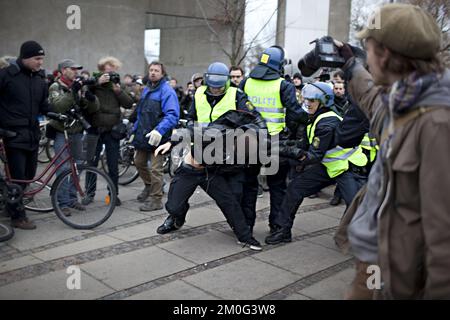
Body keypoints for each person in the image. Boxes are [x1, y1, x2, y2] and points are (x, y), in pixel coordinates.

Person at [333, 3, 450, 299]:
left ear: (384, 54)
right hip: (375, 263)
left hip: (400, 272)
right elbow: (372, 99)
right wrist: (350, 66)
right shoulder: (400, 100)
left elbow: (444, 235)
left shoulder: (436, 123)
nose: (366, 56)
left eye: (367, 48)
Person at [265, 82, 368, 245]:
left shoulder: (327, 123)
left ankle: (349, 236)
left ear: (323, 101)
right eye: (306, 100)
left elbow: (312, 156)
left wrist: (283, 151)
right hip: (330, 166)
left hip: (348, 167)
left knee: (355, 204)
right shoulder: (315, 118)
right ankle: (283, 231)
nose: (307, 103)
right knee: (295, 188)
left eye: (311, 101)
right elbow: (304, 145)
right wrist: (278, 145)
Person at [240, 46, 305, 235]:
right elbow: (294, 113)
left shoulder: (246, 82)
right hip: (275, 142)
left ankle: (246, 226)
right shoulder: (283, 85)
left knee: (250, 185)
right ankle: (276, 226)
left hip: (250, 140)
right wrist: (307, 120)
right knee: (277, 187)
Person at [0, 40, 49, 230]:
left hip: (32, 135)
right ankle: (17, 217)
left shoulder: (39, 80)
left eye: (42, 59)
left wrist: (59, 112)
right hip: (12, 135)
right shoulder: (6, 76)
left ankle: (9, 203)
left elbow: (44, 106)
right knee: (18, 178)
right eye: (37, 58)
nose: (40, 63)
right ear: (25, 57)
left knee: (28, 176)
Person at [47, 59, 99, 217]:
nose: (76, 72)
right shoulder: (55, 87)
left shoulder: (78, 87)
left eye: (77, 69)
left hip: (77, 131)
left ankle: (71, 198)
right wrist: (73, 91)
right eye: (73, 69)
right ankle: (62, 203)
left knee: (78, 165)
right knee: (63, 168)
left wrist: (90, 98)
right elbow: (59, 106)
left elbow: (93, 108)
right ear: (63, 70)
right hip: (61, 131)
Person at [83, 56, 134, 206]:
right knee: (91, 163)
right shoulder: (93, 82)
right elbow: (85, 95)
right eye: (107, 71)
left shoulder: (117, 85)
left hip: (112, 131)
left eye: (113, 70)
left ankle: (113, 194)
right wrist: (96, 84)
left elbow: (129, 103)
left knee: (112, 165)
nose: (110, 74)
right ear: (101, 71)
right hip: (94, 129)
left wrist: (118, 91)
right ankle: (89, 193)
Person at [132, 62, 179, 211]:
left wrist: (159, 130)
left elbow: (172, 115)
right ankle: (149, 185)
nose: (153, 73)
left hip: (159, 137)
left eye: (156, 71)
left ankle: (156, 199)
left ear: (162, 73)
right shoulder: (147, 89)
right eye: (151, 70)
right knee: (138, 162)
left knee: (156, 169)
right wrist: (134, 130)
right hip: (144, 135)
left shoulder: (167, 91)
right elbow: (141, 113)